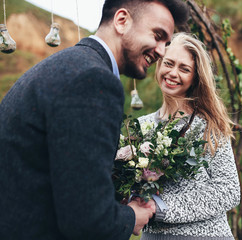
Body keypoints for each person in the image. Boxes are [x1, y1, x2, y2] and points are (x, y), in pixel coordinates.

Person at [0, 0, 188, 239]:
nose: (162, 51)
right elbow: (86, 221)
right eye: (157, 35)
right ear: (122, 20)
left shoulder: (66, 65)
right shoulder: (93, 80)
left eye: (167, 43)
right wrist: (130, 217)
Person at [137, 32, 241, 239]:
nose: (173, 73)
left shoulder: (210, 126)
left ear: (195, 78)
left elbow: (229, 191)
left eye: (184, 69)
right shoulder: (142, 126)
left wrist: (161, 207)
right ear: (159, 65)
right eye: (169, 63)